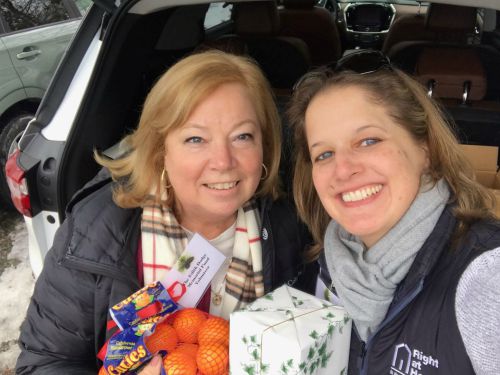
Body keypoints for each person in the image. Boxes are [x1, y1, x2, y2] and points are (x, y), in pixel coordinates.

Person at [16, 50, 315, 373]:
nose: (223, 161)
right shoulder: (100, 229)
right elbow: (44, 362)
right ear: (160, 150)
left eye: (242, 136)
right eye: (196, 139)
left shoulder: (290, 223)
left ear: (264, 145)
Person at [289, 50, 500, 375]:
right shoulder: (328, 262)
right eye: (325, 153)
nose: (343, 170)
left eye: (368, 141)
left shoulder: (486, 277)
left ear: (425, 150)